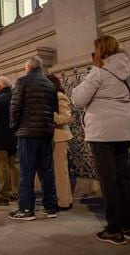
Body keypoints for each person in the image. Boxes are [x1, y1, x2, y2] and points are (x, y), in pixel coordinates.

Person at [72, 35, 130, 245]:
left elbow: (77, 99)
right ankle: (129, 227)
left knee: (108, 180)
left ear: (101, 51)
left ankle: (114, 229)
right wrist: (123, 118)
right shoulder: (129, 72)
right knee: (122, 178)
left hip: (102, 131)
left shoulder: (98, 72)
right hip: (124, 129)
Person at [9, 56, 58, 220]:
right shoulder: (50, 84)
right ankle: (50, 207)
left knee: (26, 172)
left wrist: (15, 127)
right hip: (45, 133)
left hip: (27, 134)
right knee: (47, 172)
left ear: (28, 67)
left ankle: (26, 209)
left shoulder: (22, 82)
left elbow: (15, 107)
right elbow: (54, 109)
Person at [0, 76, 19, 206]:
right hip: (15, 138)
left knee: (2, 168)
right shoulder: (16, 98)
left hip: (0, 140)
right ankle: (16, 193)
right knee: (14, 166)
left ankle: (3, 195)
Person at [48, 75, 74, 211]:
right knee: (57, 172)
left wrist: (50, 115)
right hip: (53, 137)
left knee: (60, 172)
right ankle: (63, 199)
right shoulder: (51, 97)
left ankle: (63, 202)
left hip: (59, 137)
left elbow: (67, 117)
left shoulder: (59, 96)